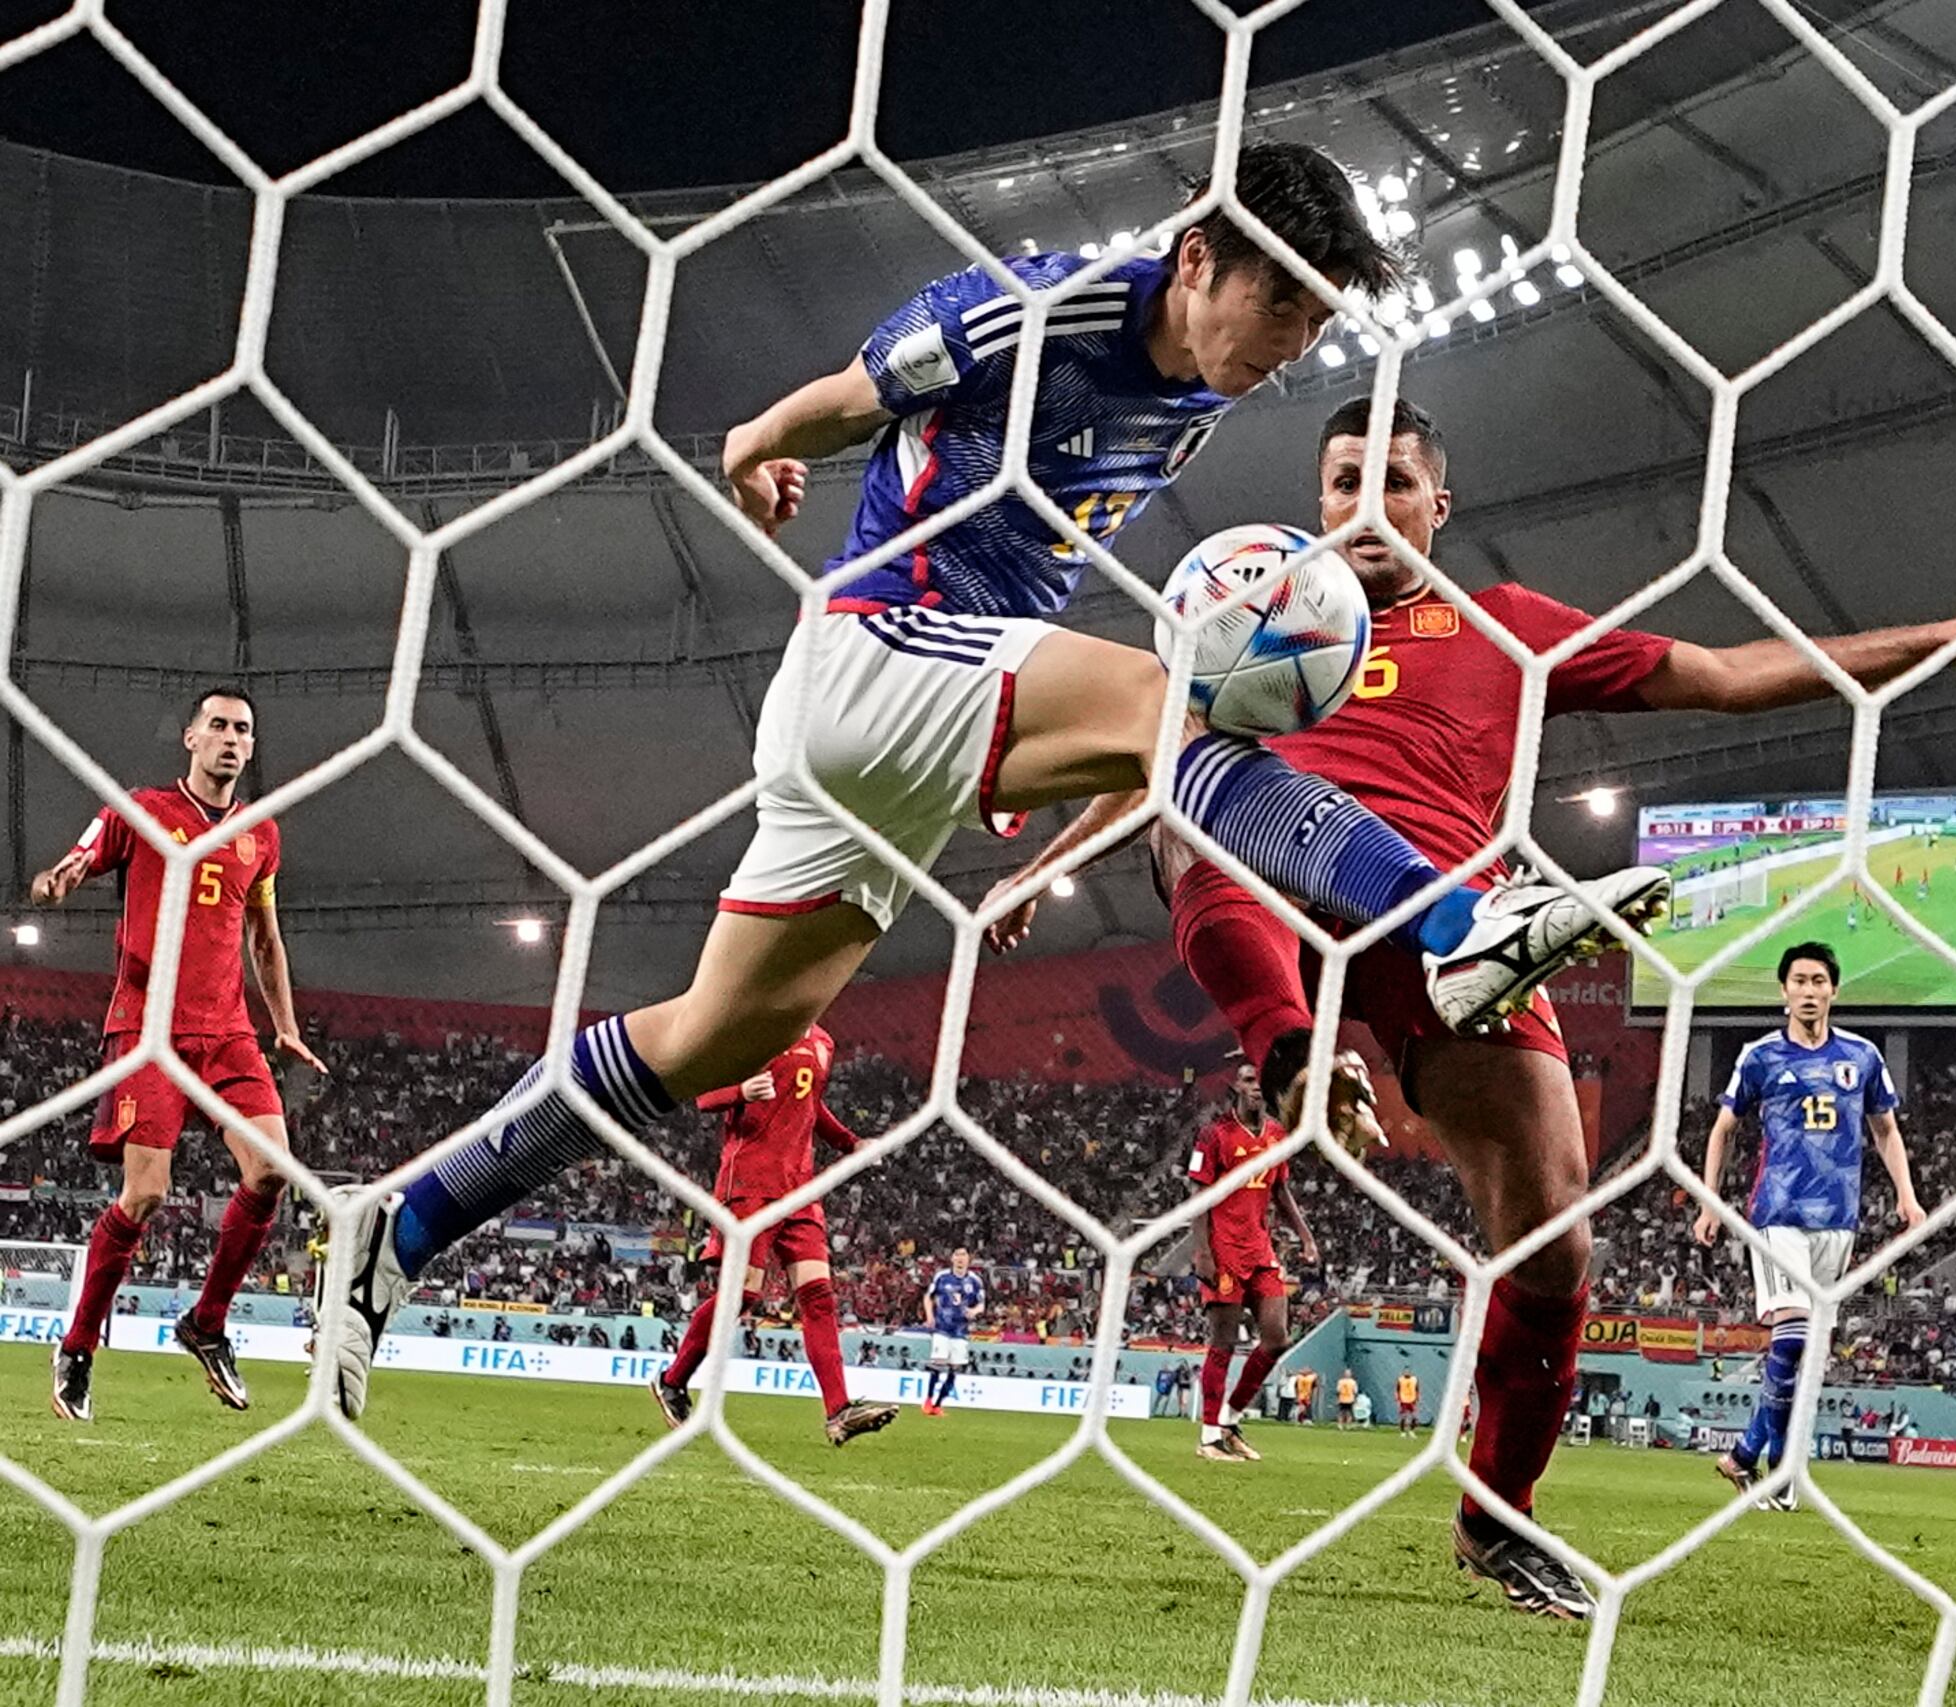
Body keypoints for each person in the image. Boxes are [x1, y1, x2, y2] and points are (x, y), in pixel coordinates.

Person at [324, 145, 1668, 1420]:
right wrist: (757, 441)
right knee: (1176, 703)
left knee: (712, 1036)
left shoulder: (1199, 395)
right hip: (877, 651)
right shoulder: (1035, 307)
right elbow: (853, 395)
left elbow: (1043, 543)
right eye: (1284, 310)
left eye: (1317, 328)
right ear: (1201, 259)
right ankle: (1452, 921)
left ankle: (405, 1220)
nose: (1289, 353)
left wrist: (1015, 734)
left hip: (910, 721)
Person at [991, 398, 1956, 1618]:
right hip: (1280, 877)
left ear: (1438, 506)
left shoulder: (1506, 629)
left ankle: (1497, 1517)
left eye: (1393, 484)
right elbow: (1164, 756)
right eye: (1341, 483)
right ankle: (1289, 1052)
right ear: (1315, 494)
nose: (1363, 510)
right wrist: (1037, 870)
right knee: (1209, 825)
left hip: (1455, 936)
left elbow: (1724, 675)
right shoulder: (1258, 618)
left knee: (1553, 1237)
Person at [31, 689, 326, 1422]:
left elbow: (264, 937)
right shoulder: (143, 811)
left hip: (227, 1031)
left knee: (270, 1170)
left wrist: (284, 1025)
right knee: (148, 1193)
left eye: (243, 730)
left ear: (252, 748)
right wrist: (62, 877)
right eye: (218, 725)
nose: (230, 738)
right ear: (191, 736)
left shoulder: (261, 834)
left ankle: (207, 1322)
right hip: (147, 1029)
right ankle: (77, 1346)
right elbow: (83, 853)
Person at [1695, 942, 1924, 1516]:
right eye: (1799, 980)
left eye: (1819, 980)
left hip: (1838, 1222)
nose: (1809, 990)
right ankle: (1761, 1459)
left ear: (1833, 991)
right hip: (1777, 1214)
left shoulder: (1864, 1056)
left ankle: (1765, 1461)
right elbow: (1723, 1129)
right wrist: (1708, 1203)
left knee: (1804, 1356)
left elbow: (1886, 1131)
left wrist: (1908, 1195)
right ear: (1784, 991)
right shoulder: (1760, 1056)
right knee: (1792, 1337)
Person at [651, 1024, 889, 1443]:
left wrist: (851, 1144)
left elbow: (811, 1105)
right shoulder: (754, 1026)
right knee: (744, 1295)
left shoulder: (823, 1041)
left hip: (800, 1189)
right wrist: (740, 1092)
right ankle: (673, 1380)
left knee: (819, 1297)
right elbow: (705, 1096)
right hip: (749, 1185)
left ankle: (838, 1412)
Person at [1190, 1063, 1316, 1463]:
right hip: (1223, 1249)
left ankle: (1230, 1419)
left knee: (1277, 1338)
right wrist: (1202, 1251)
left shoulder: (1278, 1135)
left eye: (1261, 1081)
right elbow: (1199, 1196)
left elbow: (1280, 1189)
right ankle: (1209, 1437)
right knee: (1223, 1341)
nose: (1256, 1088)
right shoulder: (1215, 1136)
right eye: (1248, 1080)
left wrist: (1306, 1235)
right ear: (1236, 1086)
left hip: (1260, 1249)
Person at [921, 1248, 986, 1417]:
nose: (960, 1258)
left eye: (964, 1255)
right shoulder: (942, 1276)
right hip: (942, 1327)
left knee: (955, 1368)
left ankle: (937, 1405)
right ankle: (928, 1400)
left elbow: (982, 1304)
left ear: (968, 1260)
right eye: (957, 1255)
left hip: (961, 1330)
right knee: (938, 1363)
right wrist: (929, 1316)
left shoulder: (975, 1281)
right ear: (952, 1259)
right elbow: (928, 1296)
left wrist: (974, 1311)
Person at [1397, 1367, 1421, 1437]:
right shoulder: (1400, 1380)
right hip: (1403, 1400)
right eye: (1405, 1371)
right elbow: (1397, 1389)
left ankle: (1411, 1431)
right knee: (1403, 1417)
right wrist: (1398, 1399)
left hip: (1412, 1400)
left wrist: (1417, 1397)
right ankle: (1403, 1432)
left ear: (1410, 1372)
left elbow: (1417, 1389)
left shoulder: (1414, 1379)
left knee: (1414, 1416)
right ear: (1403, 1372)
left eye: (1408, 1371)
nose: (1407, 1372)